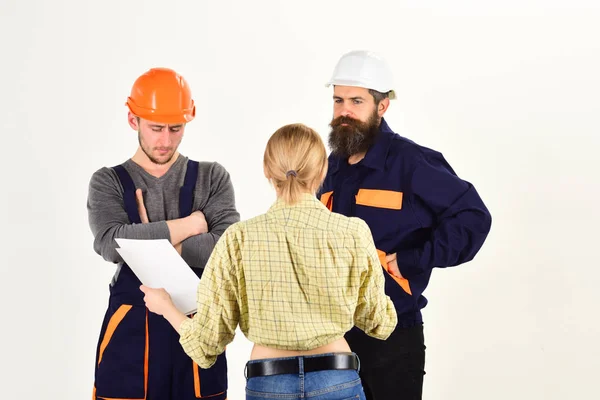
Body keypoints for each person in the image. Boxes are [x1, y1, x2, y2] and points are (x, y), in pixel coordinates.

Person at [139, 123, 398, 400]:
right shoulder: (353, 233)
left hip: (269, 383)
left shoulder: (238, 238)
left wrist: (166, 307)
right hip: (336, 377)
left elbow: (207, 343)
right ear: (323, 170)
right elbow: (380, 323)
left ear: (266, 170)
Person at [317, 50, 493, 400]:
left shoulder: (412, 164)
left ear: (382, 107)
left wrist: (412, 260)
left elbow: (473, 217)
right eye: (338, 100)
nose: (344, 112)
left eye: (356, 101)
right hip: (331, 334)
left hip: (392, 339)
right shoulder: (329, 167)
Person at [87, 67, 240, 400]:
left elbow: (227, 248)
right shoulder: (107, 182)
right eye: (156, 128)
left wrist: (142, 239)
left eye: (176, 128)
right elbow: (111, 244)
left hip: (198, 329)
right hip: (131, 332)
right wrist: (192, 224)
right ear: (133, 120)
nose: (166, 140)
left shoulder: (212, 177)